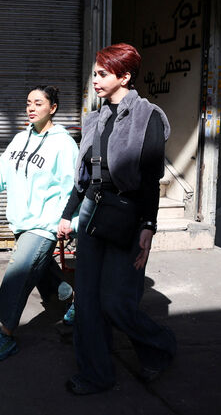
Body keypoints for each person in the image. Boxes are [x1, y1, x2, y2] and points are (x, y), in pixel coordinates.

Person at [58, 43, 176, 394]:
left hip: (127, 213)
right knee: (88, 302)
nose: (95, 80)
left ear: (124, 76)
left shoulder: (149, 116)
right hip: (93, 209)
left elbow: (151, 179)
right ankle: (96, 373)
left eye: (103, 74)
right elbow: (83, 177)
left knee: (115, 303)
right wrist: (68, 215)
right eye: (94, 73)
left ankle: (160, 346)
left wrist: (148, 226)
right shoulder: (94, 118)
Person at [0, 85, 79, 361]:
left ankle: (6, 335)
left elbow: (73, 186)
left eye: (39, 103)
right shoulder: (18, 140)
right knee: (40, 269)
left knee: (18, 275)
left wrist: (68, 220)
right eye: (28, 103)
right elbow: (0, 173)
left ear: (53, 108)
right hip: (21, 222)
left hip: (44, 224)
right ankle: (72, 298)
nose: (31, 108)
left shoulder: (63, 144)